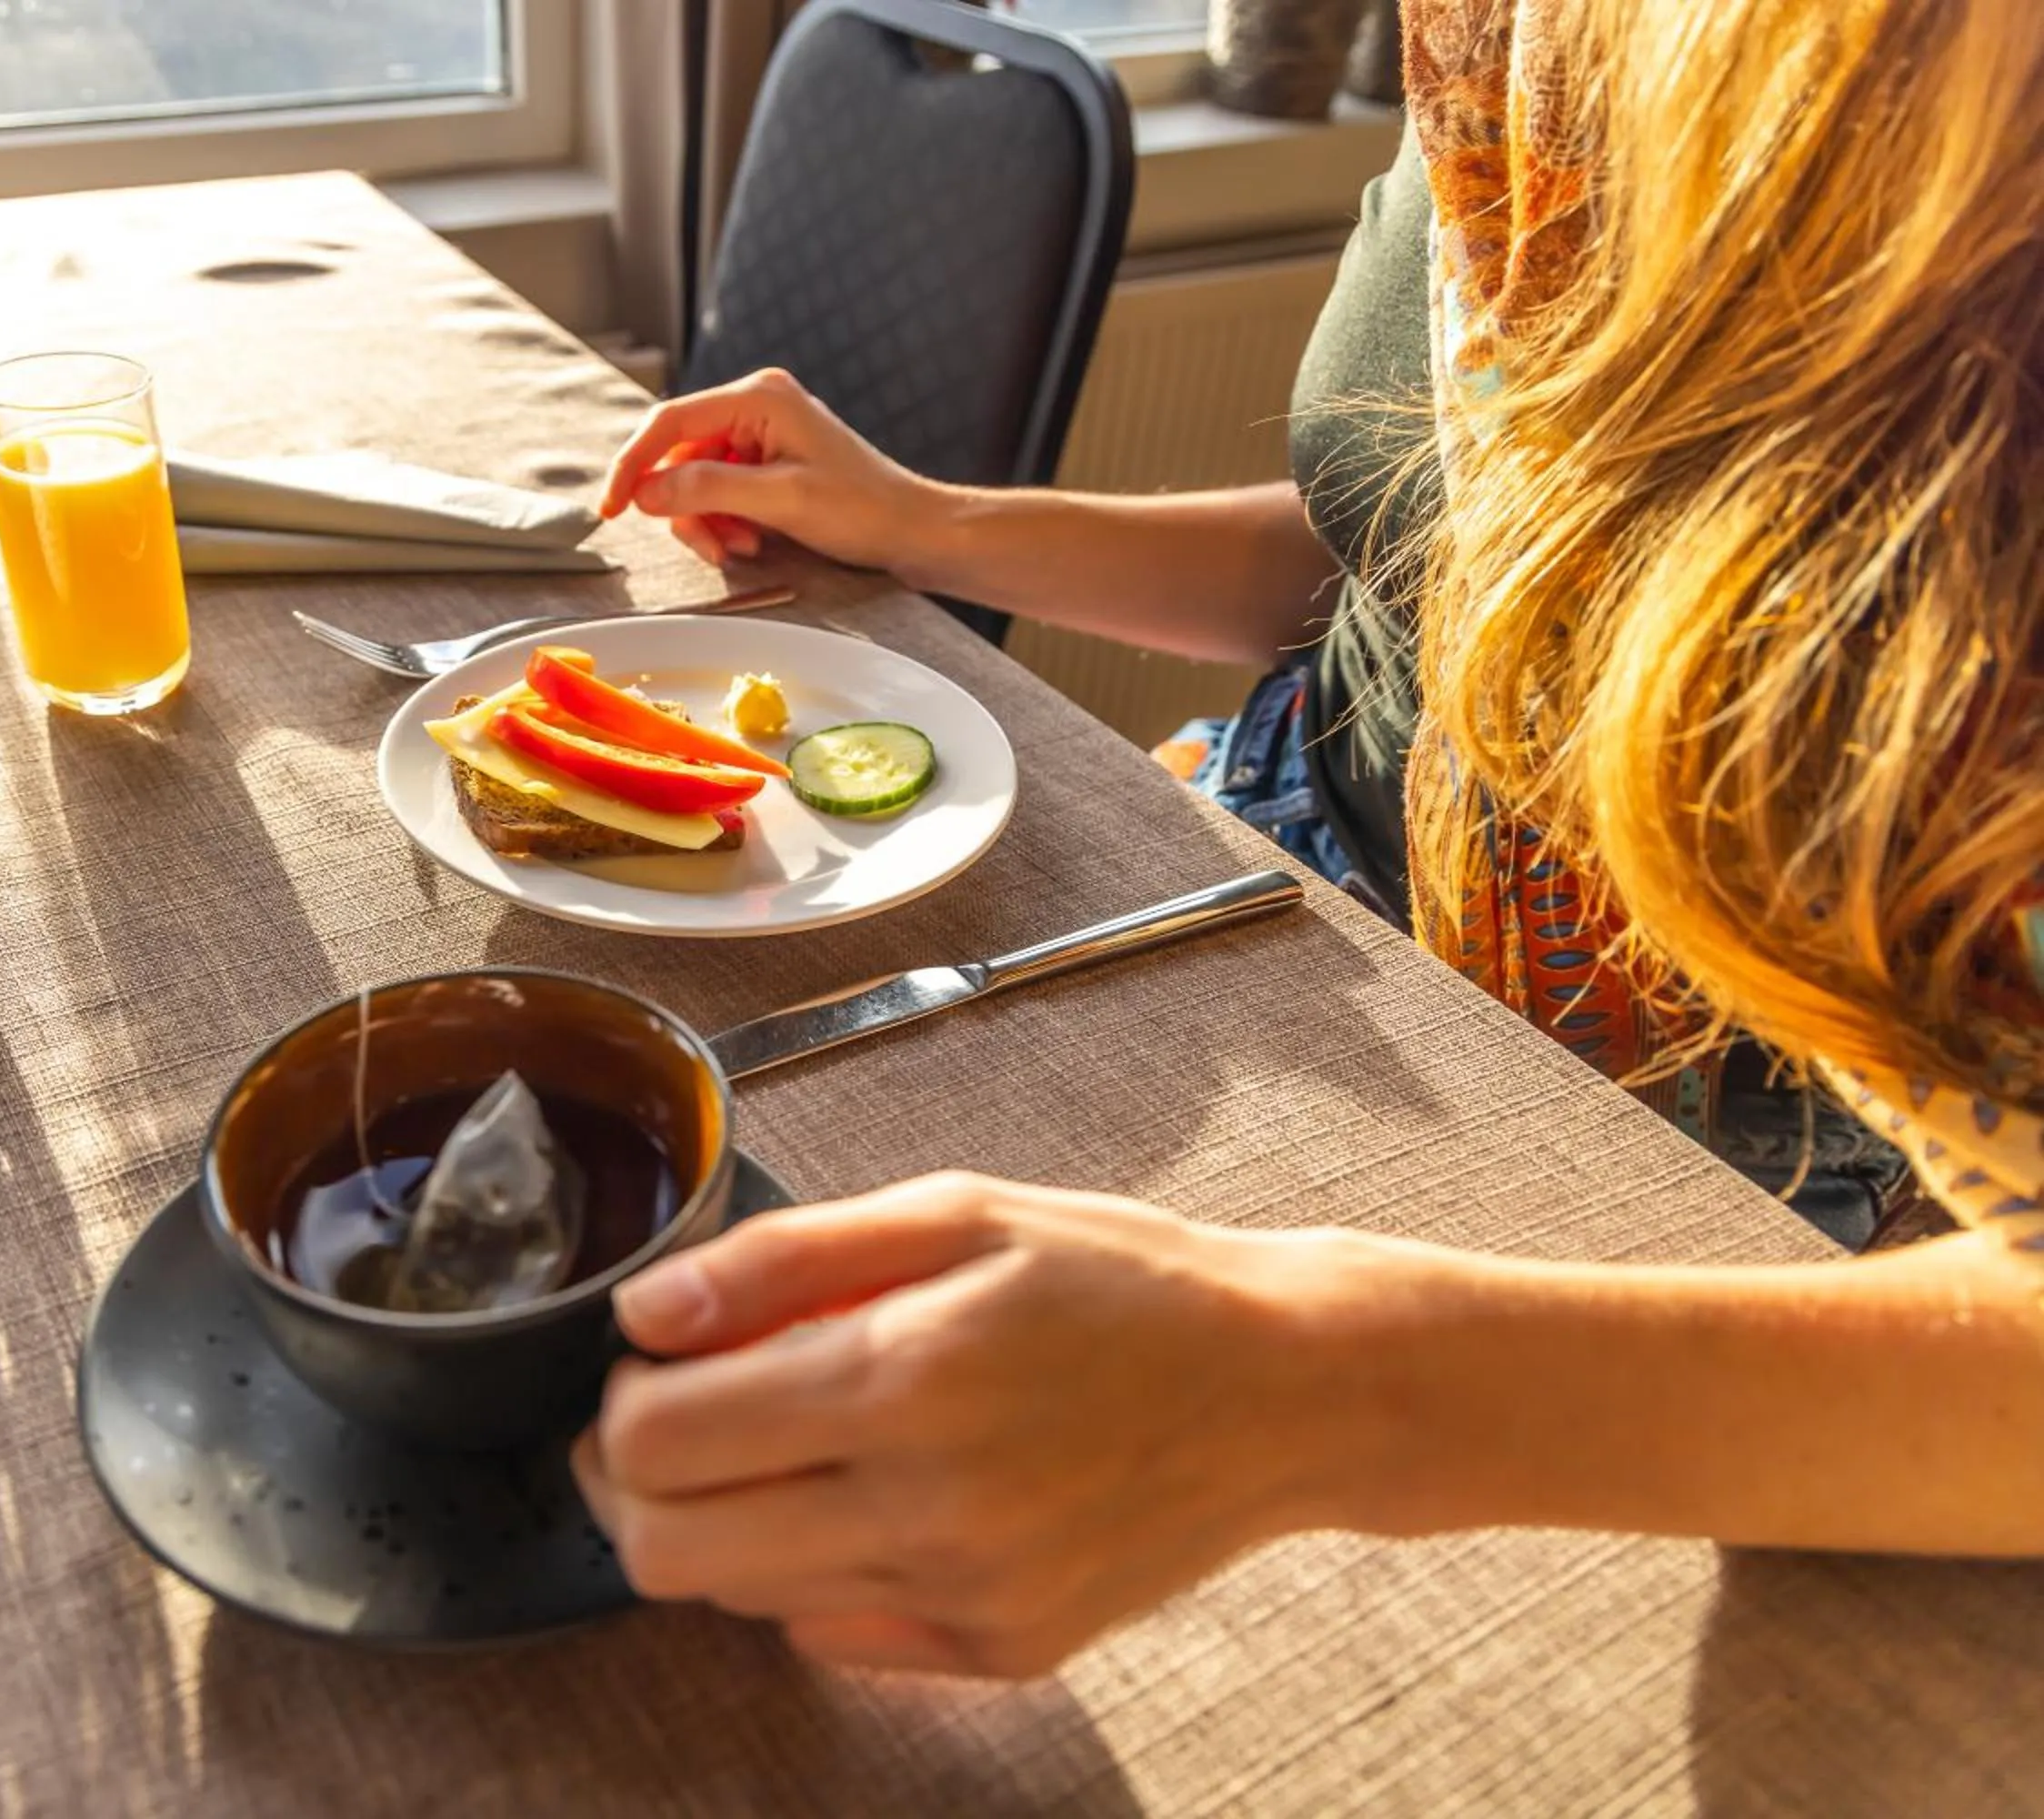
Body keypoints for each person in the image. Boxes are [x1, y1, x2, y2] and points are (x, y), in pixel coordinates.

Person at [567, 0, 2044, 1678]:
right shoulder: (1504, 40)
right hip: (1288, 875)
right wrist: (926, 520)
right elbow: (1418, 543)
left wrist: (1326, 1386)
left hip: (1754, 1190)